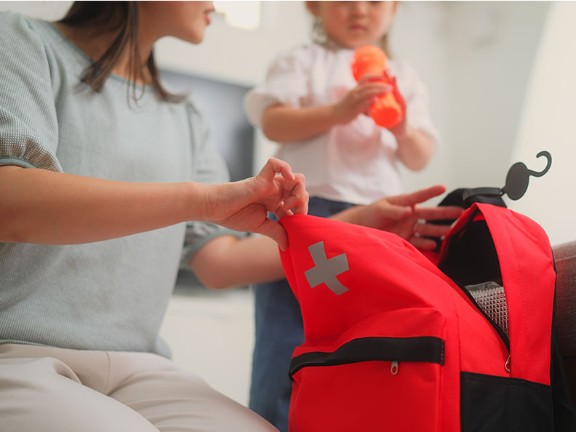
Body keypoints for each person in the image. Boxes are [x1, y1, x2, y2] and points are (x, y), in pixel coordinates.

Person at [0, 2, 462, 432]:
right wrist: (201, 200)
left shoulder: (187, 118)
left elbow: (217, 263)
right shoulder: (21, 41)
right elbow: (9, 202)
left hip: (140, 367)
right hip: (18, 355)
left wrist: (356, 225)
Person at [243, 2, 441, 429]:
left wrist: (402, 126)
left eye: (374, 1)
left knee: (366, 334)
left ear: (395, 8)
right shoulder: (303, 60)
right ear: (313, 5)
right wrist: (337, 112)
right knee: (285, 333)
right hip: (307, 212)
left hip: (379, 221)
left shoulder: (402, 76)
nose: (358, 10)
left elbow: (420, 154)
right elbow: (273, 122)